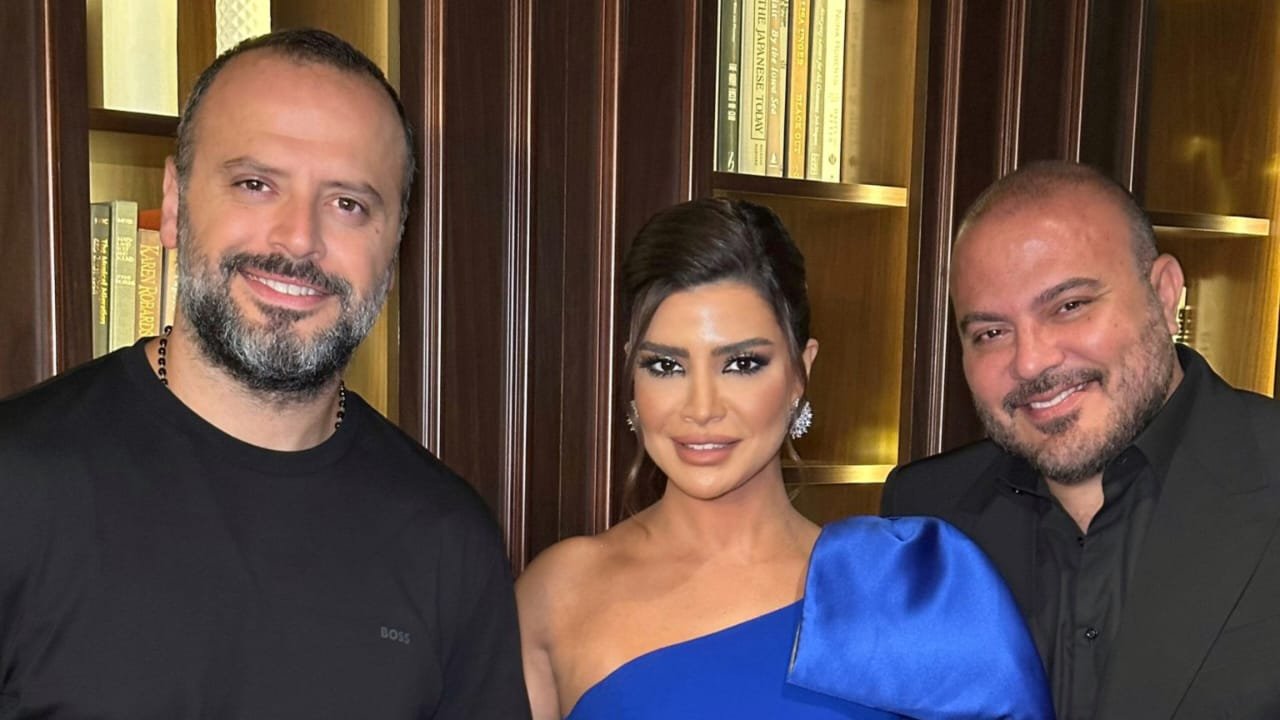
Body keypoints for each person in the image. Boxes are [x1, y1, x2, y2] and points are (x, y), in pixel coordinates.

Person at [0, 29, 529, 719]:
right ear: (175, 202)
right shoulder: (18, 485)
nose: (299, 238)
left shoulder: (447, 540)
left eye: (348, 203)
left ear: (395, 242)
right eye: (255, 185)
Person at [517, 198, 1051, 720]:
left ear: (800, 371)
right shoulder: (558, 595)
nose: (701, 408)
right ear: (631, 376)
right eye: (665, 366)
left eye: (742, 363)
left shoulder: (915, 591)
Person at [881, 160, 1280, 719]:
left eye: (1069, 306)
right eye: (991, 332)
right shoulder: (926, 515)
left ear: (1166, 295)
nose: (1030, 361)